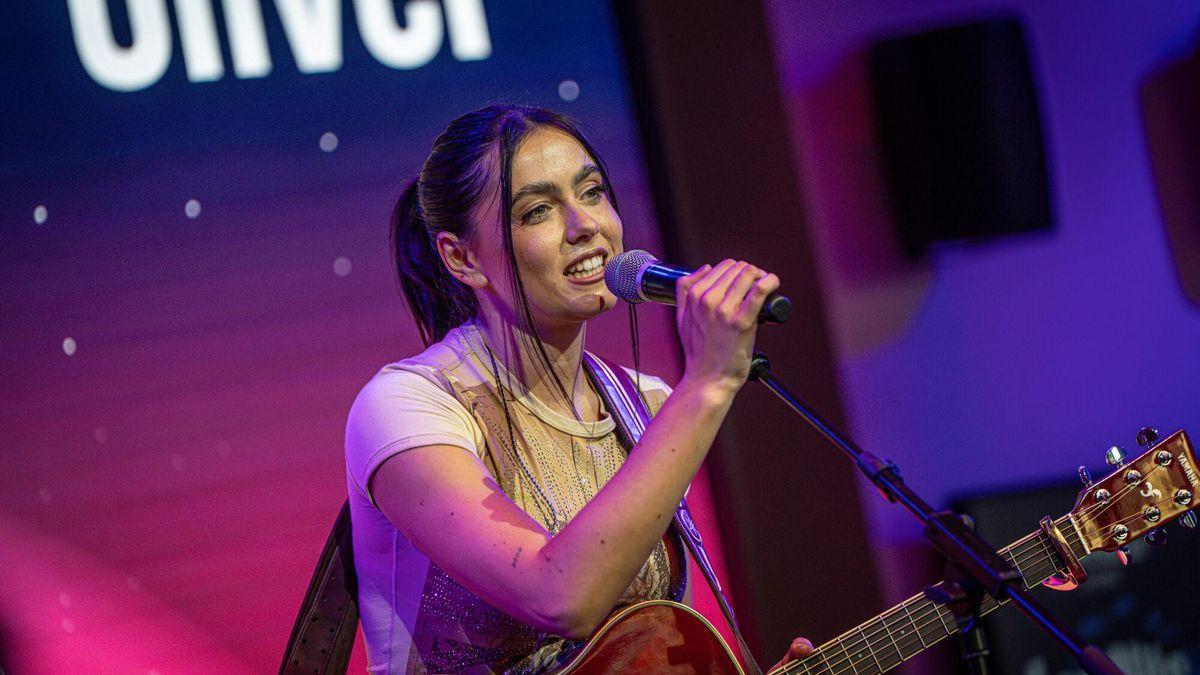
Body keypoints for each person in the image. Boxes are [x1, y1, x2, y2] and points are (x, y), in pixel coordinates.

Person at [345, 104, 813, 673]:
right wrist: (710, 382)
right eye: (538, 210)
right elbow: (560, 597)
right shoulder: (408, 406)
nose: (584, 224)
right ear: (462, 257)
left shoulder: (646, 404)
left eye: (591, 192)